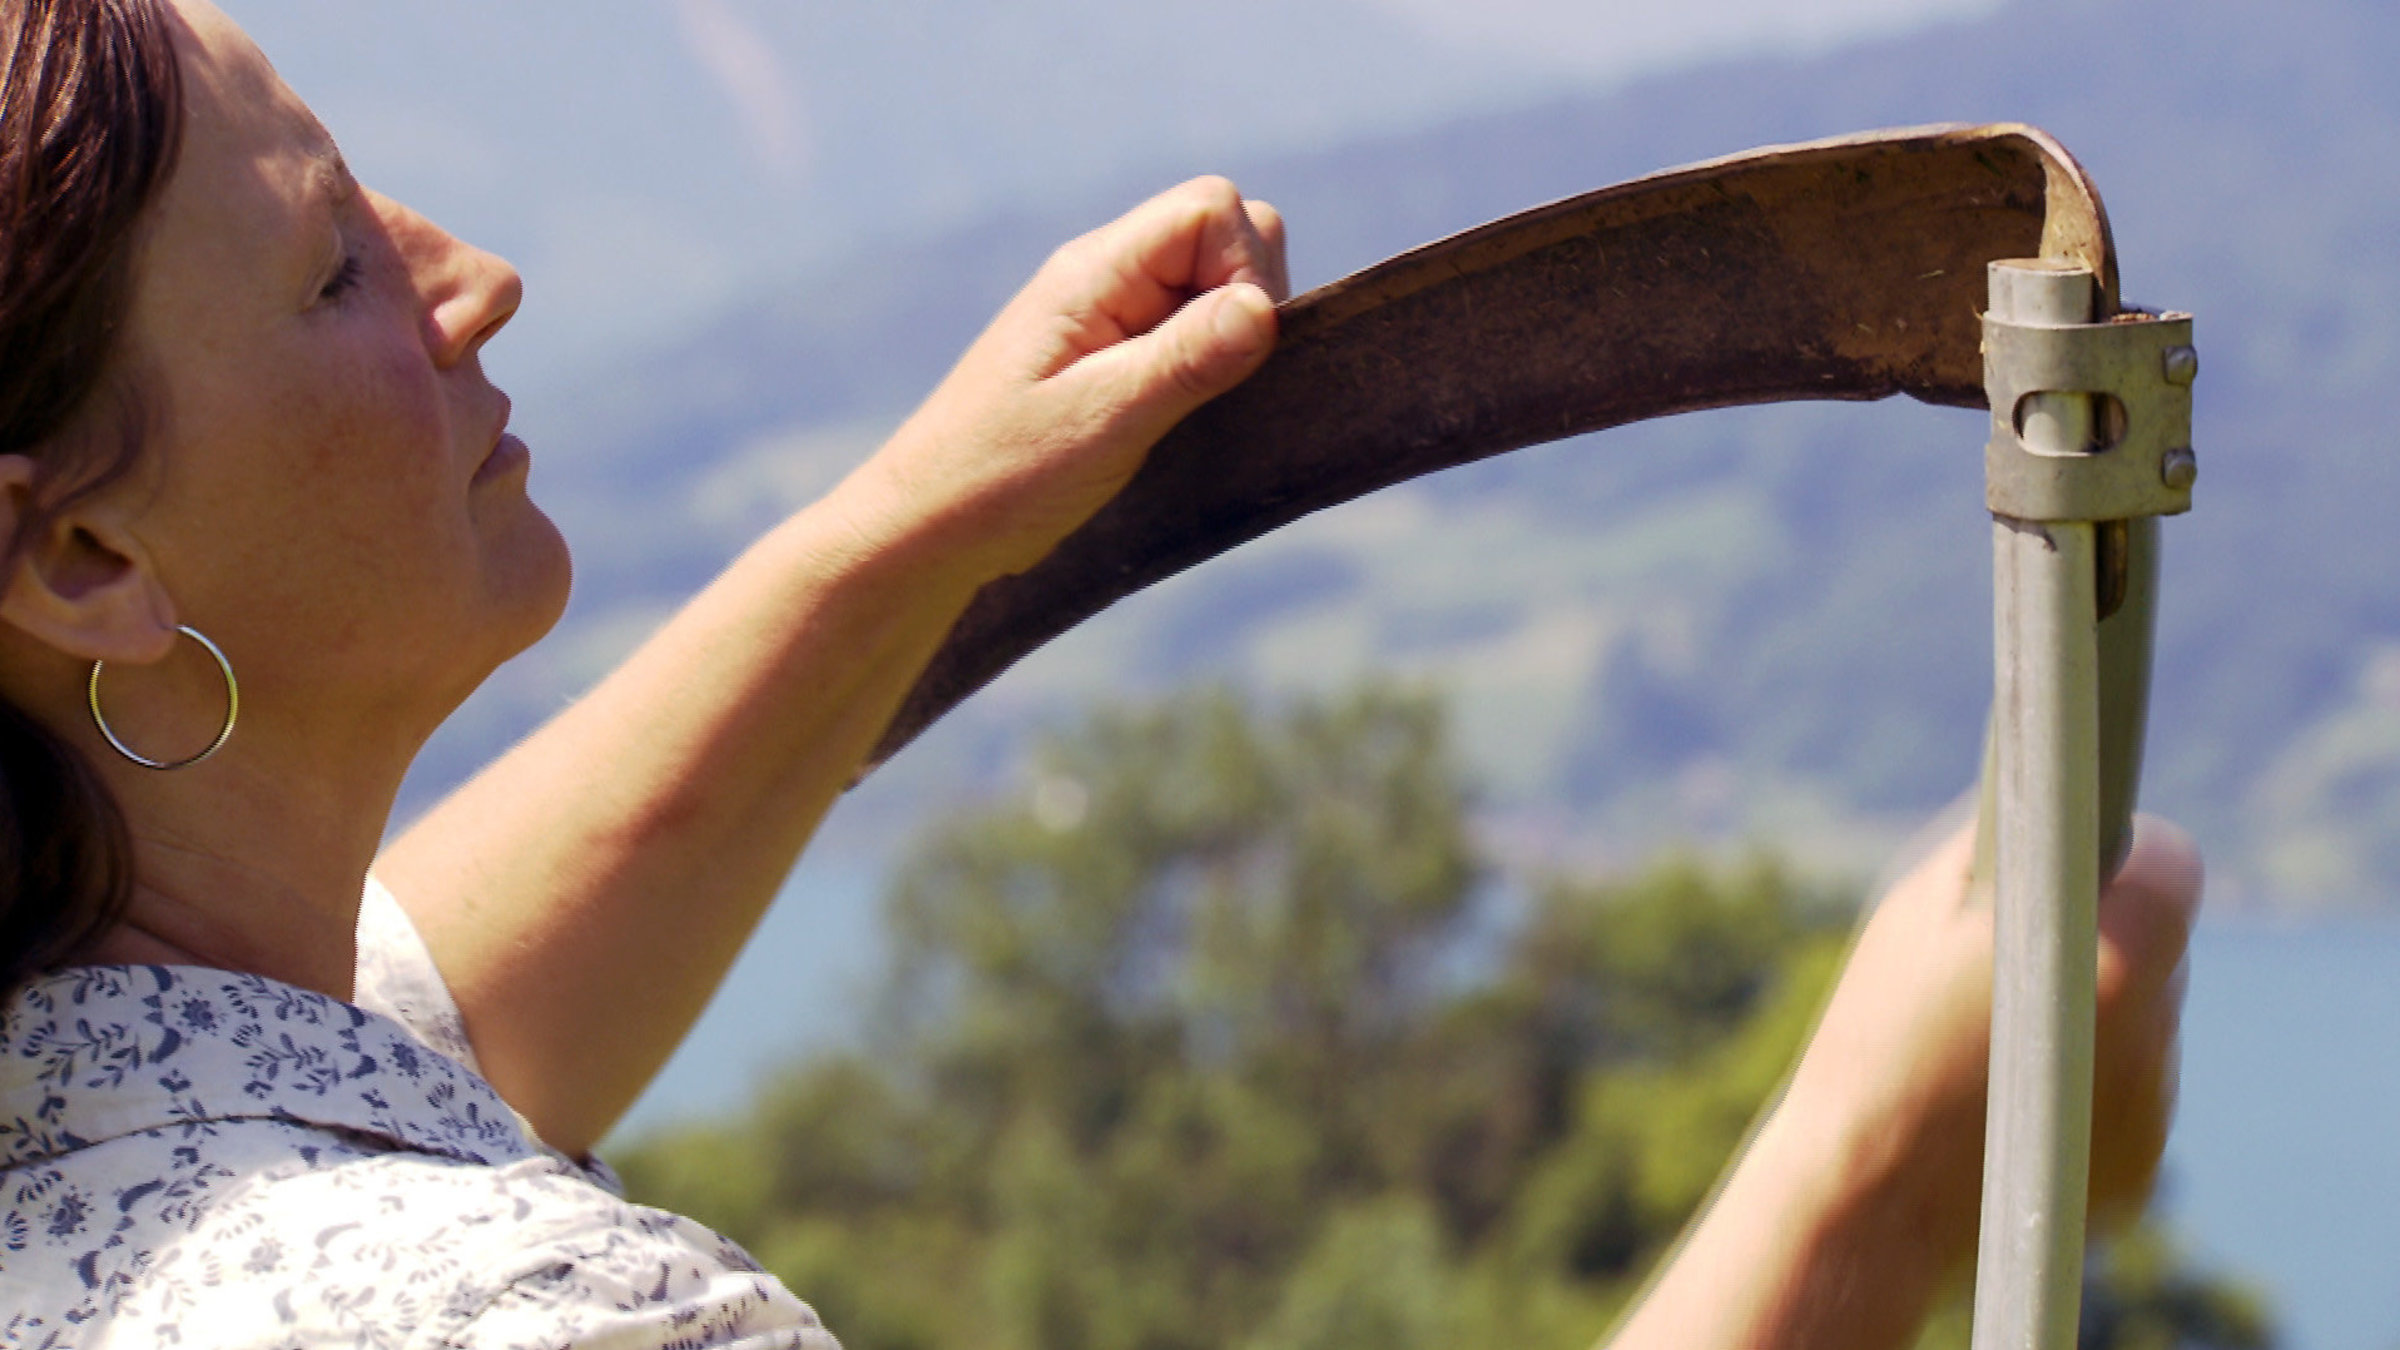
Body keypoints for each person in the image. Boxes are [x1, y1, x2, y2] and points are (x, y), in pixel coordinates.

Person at [0, 1, 2200, 1346]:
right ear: (82, 551)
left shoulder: (98, 1128)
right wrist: (1882, 1171)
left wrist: (933, 518)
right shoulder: (518, 1327)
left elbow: (395, 1020)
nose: (469, 279)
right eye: (332, 267)